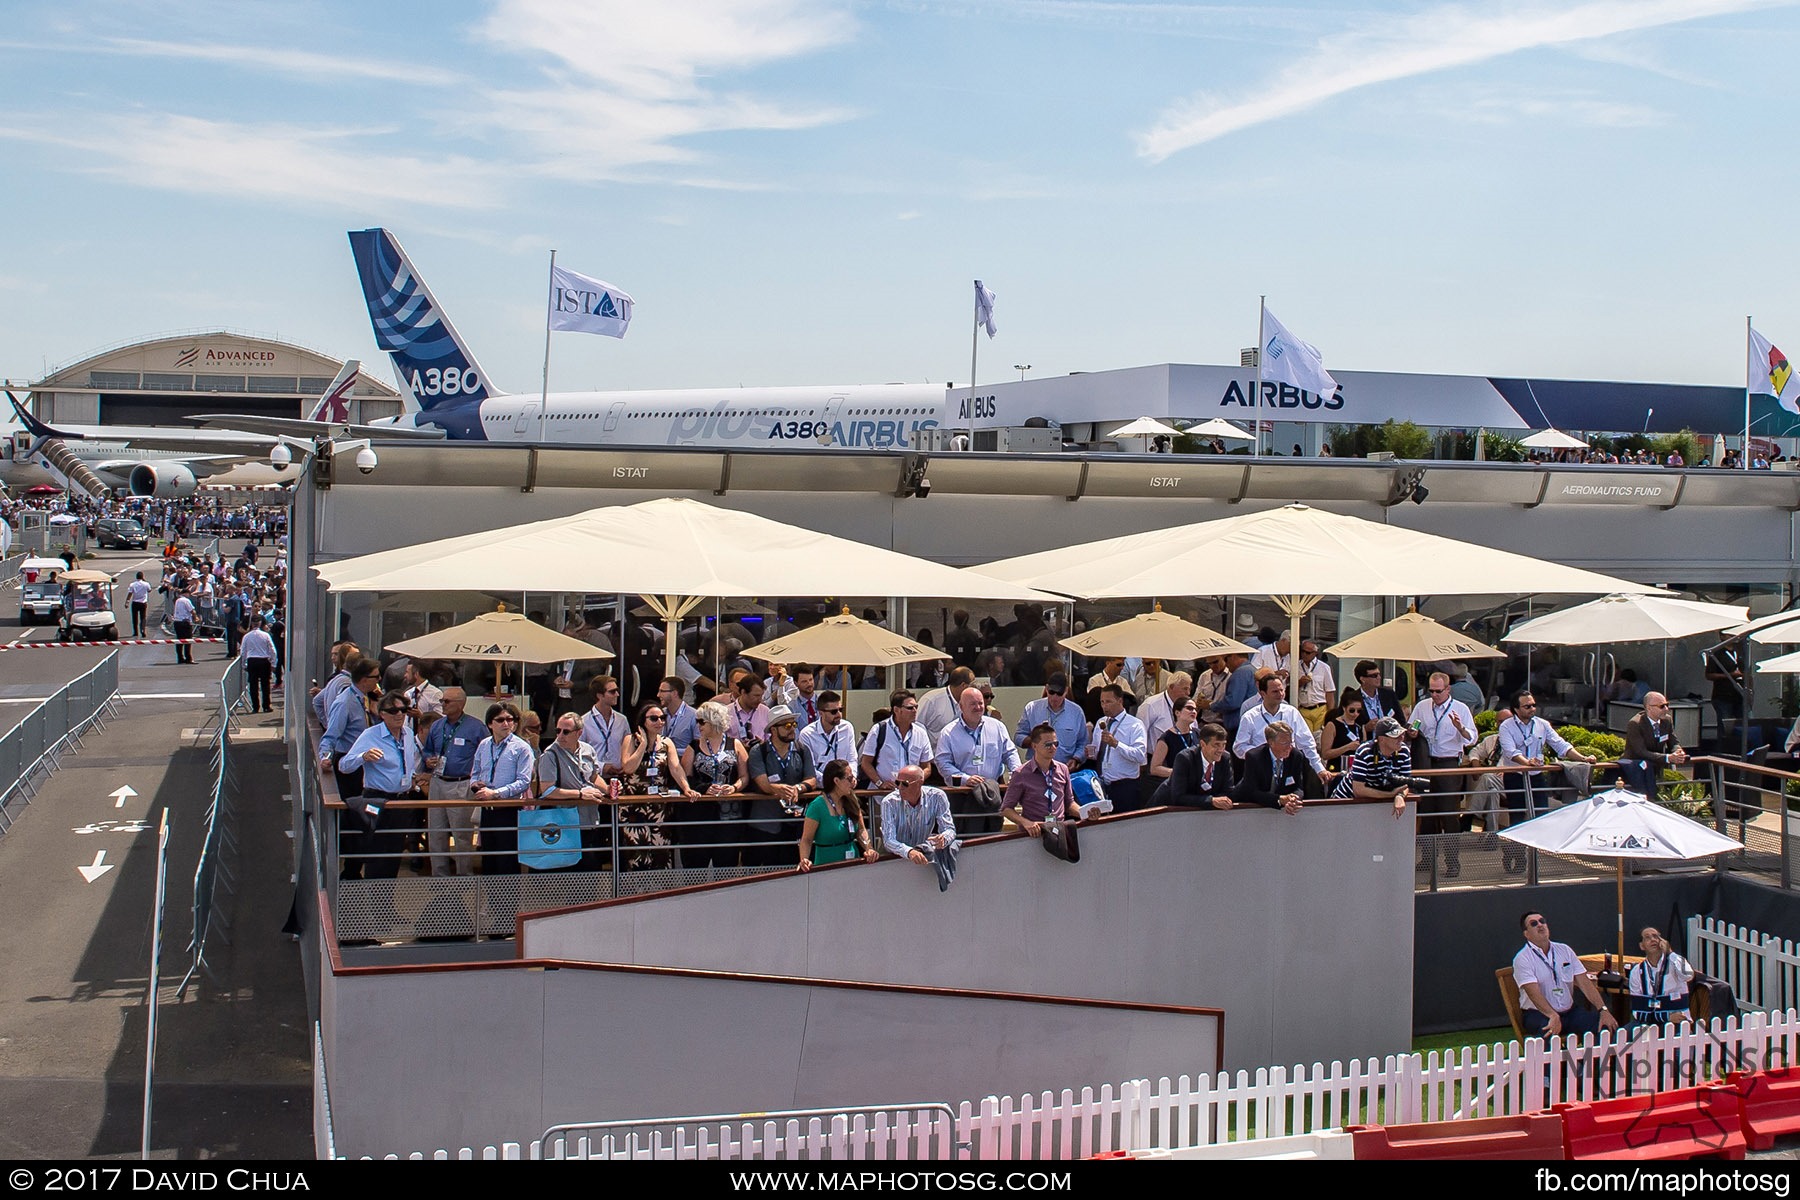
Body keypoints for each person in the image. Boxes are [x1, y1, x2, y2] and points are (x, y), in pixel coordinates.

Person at [1497, 692, 1597, 874]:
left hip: (1536, 776)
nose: (1532, 709)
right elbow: (1510, 751)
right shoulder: (1507, 726)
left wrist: (1583, 758)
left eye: (1534, 705)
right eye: (1527, 706)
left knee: (1541, 816)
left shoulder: (1542, 725)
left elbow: (1561, 745)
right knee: (1518, 818)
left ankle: (1534, 858)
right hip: (1515, 775)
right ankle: (1515, 855)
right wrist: (1527, 762)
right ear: (1516, 709)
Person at [336, 690, 422, 881]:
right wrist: (363, 757)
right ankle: (376, 905)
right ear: (382, 713)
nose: (399, 714)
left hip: (401, 801)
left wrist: (413, 777)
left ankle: (385, 906)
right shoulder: (370, 735)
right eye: (393, 711)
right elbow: (344, 765)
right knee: (378, 855)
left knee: (394, 856)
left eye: (403, 710)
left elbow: (408, 763)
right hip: (378, 800)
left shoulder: (408, 734)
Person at [615, 700, 699, 870]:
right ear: (643, 721)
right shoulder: (630, 740)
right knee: (638, 855)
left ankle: (660, 893)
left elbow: (676, 768)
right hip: (634, 805)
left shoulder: (667, 743)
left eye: (662, 718)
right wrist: (643, 746)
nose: (659, 722)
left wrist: (686, 788)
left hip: (659, 806)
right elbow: (628, 767)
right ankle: (639, 893)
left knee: (661, 855)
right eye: (654, 718)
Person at [1409, 671, 1478, 873]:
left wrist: (1460, 728)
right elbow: (1413, 725)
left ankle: (1452, 863)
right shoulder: (1422, 706)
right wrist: (1412, 732)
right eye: (1431, 691)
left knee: (1449, 813)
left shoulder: (1460, 708)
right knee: (1427, 811)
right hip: (1426, 761)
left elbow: (1472, 738)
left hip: (1448, 762)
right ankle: (1428, 859)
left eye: (1438, 691)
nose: (1435, 695)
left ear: (1448, 689)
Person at [1513, 910, 1618, 1040]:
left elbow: (1585, 983)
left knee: (1604, 1025)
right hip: (1539, 1014)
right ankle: (1555, 1061)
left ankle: (1594, 1061)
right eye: (1533, 923)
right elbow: (1533, 992)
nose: (1540, 925)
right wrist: (1552, 1015)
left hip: (1570, 1012)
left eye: (1542, 921)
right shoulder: (1522, 958)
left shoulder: (1565, 950)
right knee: (1547, 1031)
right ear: (1526, 934)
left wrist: (1603, 1009)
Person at [421, 687, 488, 877]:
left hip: (461, 783)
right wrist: (428, 760)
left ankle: (464, 876)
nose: (442, 704)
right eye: (442, 701)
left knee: (461, 835)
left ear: (460, 704)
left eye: (447, 701)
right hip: (438, 781)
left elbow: (486, 754)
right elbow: (427, 750)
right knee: (436, 833)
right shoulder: (436, 725)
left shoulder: (476, 727)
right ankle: (439, 877)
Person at [532, 713, 611, 873]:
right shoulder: (550, 754)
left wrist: (608, 789)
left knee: (591, 872)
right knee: (569, 874)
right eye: (558, 731)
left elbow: (594, 776)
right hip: (564, 825)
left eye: (565, 732)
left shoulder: (588, 749)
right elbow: (547, 790)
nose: (560, 736)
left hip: (590, 821)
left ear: (579, 733)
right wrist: (581, 794)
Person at [680, 699, 749, 870]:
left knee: (726, 862)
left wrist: (734, 787)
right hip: (700, 815)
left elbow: (745, 776)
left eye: (702, 721)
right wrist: (703, 788)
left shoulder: (735, 744)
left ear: (714, 721)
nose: (698, 726)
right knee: (696, 863)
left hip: (729, 814)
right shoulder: (693, 747)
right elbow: (686, 777)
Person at [470, 702, 537, 876]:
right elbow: (475, 772)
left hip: (509, 810)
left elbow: (524, 781)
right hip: (487, 811)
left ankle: (508, 903)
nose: (506, 724)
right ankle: (492, 903)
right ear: (490, 724)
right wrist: (475, 785)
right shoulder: (484, 745)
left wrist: (496, 793)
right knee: (489, 862)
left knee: (507, 863)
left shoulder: (522, 747)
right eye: (500, 720)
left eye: (510, 719)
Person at [746, 706, 817, 867]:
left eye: (794, 725)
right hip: (765, 824)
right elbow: (762, 782)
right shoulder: (759, 751)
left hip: (794, 824)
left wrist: (798, 788)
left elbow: (811, 778)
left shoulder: (801, 749)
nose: (792, 729)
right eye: (787, 726)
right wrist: (777, 789)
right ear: (773, 729)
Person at [880, 765, 959, 890]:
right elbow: (888, 840)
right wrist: (909, 852)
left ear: (920, 782)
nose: (899, 788)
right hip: (894, 858)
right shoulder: (888, 802)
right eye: (897, 783)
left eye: (904, 784)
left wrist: (943, 839)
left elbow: (949, 829)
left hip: (921, 858)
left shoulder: (938, 796)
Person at [1233, 670, 1327, 774]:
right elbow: (1239, 747)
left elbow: (1307, 743)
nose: (1280, 694)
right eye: (1275, 692)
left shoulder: (1291, 712)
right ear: (1263, 693)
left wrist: (1319, 769)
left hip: (1289, 767)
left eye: (1282, 690)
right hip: (1260, 769)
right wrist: (1263, 754)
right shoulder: (1250, 717)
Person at [1000, 722, 1084, 836]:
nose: (1053, 748)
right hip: (1034, 833)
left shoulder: (1063, 769)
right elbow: (1006, 809)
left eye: (1056, 743)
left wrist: (1085, 813)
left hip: (1059, 832)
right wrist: (1026, 823)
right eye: (1048, 744)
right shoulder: (1021, 774)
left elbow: (1069, 804)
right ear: (1034, 746)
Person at [797, 759, 877, 870]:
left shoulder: (852, 800)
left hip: (853, 864)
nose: (853, 782)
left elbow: (861, 830)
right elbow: (806, 839)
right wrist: (804, 859)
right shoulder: (817, 806)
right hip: (827, 866)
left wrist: (868, 848)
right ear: (836, 781)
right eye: (849, 779)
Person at [1233, 721, 1321, 814]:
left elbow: (1298, 787)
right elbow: (1251, 791)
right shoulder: (1254, 757)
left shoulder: (1296, 756)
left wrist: (1293, 799)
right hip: (1252, 810)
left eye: (1290, 742)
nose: (1289, 747)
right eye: (1284, 743)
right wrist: (1279, 799)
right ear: (1271, 742)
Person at [1086, 683, 1148, 812]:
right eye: (1102, 702)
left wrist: (1116, 744)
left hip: (1125, 786)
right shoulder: (1101, 722)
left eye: (1108, 701)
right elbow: (1098, 752)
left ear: (1120, 701)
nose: (1104, 706)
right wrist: (1090, 752)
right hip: (1103, 784)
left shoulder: (1134, 725)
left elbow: (1140, 755)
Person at [860, 688, 935, 790]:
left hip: (911, 795)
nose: (915, 711)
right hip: (883, 795)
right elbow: (866, 763)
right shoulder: (879, 729)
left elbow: (926, 767)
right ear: (896, 710)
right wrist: (880, 783)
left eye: (916, 707)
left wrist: (915, 782)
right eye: (910, 708)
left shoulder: (921, 732)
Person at [1013, 675, 1089, 769]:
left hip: (1064, 769)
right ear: (1046, 688)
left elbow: (1083, 743)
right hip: (1036, 770)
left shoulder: (1076, 712)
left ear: (1066, 691)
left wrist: (1076, 759)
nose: (1055, 697)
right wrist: (1035, 740)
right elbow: (1018, 736)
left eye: (1059, 693)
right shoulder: (1032, 708)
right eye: (1051, 692)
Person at [1621, 692, 1688, 796]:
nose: (1666, 709)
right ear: (1649, 708)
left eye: (1667, 705)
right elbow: (1640, 751)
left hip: (1656, 769)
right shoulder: (1635, 723)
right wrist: (1667, 758)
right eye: (1662, 706)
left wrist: (1678, 752)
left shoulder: (1667, 720)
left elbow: (1673, 741)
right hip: (1636, 771)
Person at [1159, 722, 1236, 810]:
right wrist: (1211, 801)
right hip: (1166, 812)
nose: (1221, 750)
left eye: (1224, 745)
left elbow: (1228, 791)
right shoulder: (1185, 758)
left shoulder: (1225, 758)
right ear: (1203, 744)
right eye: (1216, 745)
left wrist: (1218, 801)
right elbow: (1178, 797)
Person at [1627, 926, 1694, 1025]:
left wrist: (1670, 953)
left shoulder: (1675, 962)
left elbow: (1688, 975)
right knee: (1623, 1035)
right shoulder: (1636, 971)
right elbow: (1637, 1010)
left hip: (1678, 1022)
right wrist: (1666, 1017)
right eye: (1647, 937)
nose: (1653, 939)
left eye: (1656, 936)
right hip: (1648, 1022)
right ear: (1641, 946)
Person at [798, 689, 858, 776]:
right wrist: (831, 782)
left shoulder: (847, 728)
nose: (839, 714)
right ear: (821, 713)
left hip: (845, 783)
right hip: (820, 785)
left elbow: (852, 759)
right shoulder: (807, 734)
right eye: (834, 712)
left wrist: (851, 777)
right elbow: (809, 768)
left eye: (840, 709)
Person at [1135, 671, 1192, 758]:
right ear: (1172, 687)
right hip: (1157, 758)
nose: (1188, 693)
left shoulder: (1188, 705)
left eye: (1189, 689)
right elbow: (1140, 734)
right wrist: (1142, 760)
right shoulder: (1151, 705)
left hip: (1182, 758)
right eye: (1184, 689)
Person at [1148, 697, 1201, 784]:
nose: (1194, 712)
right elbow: (1154, 768)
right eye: (1189, 708)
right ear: (1177, 712)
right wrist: (1179, 773)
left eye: (1195, 709)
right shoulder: (1166, 737)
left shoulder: (1199, 734)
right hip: (1178, 785)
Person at [1207, 652, 1257, 744]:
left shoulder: (1240, 673)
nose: (1226, 664)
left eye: (1226, 659)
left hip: (1238, 727)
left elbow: (1233, 701)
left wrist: (1212, 705)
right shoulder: (1252, 670)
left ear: (1233, 657)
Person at [916, 666, 975, 739]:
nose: (974, 689)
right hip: (933, 749)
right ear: (963, 685)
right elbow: (916, 726)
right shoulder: (931, 700)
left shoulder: (968, 702)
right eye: (972, 686)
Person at [1350, 660, 1407, 732]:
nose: (1379, 677)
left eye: (1379, 674)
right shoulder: (1353, 699)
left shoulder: (1388, 694)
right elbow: (1347, 727)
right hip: (1367, 740)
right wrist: (1365, 728)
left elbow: (1401, 720)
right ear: (1363, 679)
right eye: (1374, 676)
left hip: (1390, 740)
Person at [1291, 640, 1336, 731]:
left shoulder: (1324, 667)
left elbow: (1329, 692)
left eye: (1307, 652)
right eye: (1302, 651)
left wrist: (1331, 714)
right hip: (1303, 708)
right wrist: (1299, 683)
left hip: (1320, 708)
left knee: (1319, 738)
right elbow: (1289, 688)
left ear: (1315, 653)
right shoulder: (1295, 666)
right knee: (1307, 739)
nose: (1304, 654)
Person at [240, 613, 279, 713]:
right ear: (260, 623)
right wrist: (273, 663)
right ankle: (266, 706)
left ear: (252, 624)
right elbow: (272, 650)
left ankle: (255, 707)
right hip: (264, 660)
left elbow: (243, 651)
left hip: (252, 660)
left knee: (253, 685)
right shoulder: (265, 635)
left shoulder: (247, 636)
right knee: (265, 684)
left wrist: (243, 664)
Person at [656, 675, 698, 756]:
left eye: (662, 691)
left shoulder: (694, 716)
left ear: (675, 693)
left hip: (682, 763)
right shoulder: (659, 714)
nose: (658, 695)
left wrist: (672, 751)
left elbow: (698, 747)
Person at [1318, 696, 1364, 770]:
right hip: (1336, 767)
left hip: (1355, 768)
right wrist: (1347, 747)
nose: (1355, 714)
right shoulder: (1332, 725)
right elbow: (1325, 754)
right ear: (1344, 708)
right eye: (1352, 710)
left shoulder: (1359, 726)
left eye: (1359, 711)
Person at [171, 588, 197, 664]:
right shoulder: (186, 600)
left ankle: (180, 658)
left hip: (177, 622)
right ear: (186, 593)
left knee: (179, 640)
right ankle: (188, 658)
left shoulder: (177, 600)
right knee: (188, 640)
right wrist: (196, 617)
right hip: (185, 622)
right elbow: (192, 610)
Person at [126, 571, 150, 638]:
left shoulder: (132, 584)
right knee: (143, 618)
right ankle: (143, 630)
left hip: (135, 602)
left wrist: (127, 602)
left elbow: (130, 593)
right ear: (142, 577)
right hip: (143, 603)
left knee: (135, 618)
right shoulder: (146, 584)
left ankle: (135, 632)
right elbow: (149, 590)